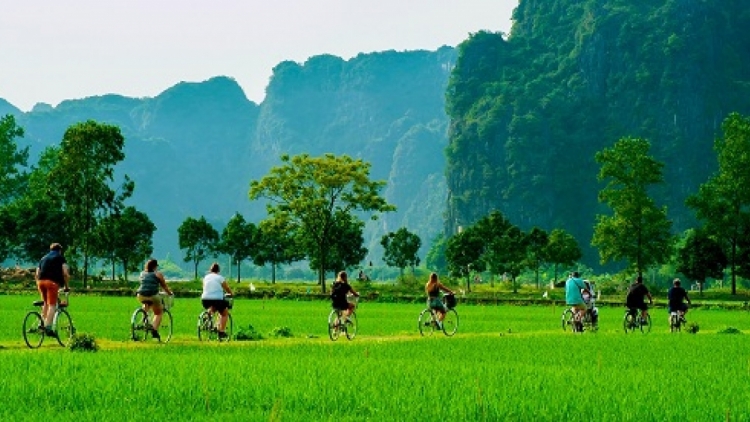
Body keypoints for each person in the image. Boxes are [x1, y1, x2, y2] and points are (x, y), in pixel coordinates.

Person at [35, 243, 70, 337]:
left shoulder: (43, 258)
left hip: (41, 282)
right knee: (52, 305)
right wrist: (66, 286)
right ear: (60, 250)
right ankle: (48, 326)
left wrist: (38, 283)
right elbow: (65, 273)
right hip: (52, 283)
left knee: (45, 303)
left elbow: (37, 272)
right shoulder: (60, 258)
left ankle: (41, 323)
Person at [136, 259, 173, 340]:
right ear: (155, 266)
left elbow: (145, 284)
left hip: (140, 295)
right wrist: (170, 293)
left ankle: (144, 318)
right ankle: (154, 329)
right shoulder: (158, 274)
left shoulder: (142, 273)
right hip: (153, 295)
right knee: (159, 312)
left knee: (146, 303)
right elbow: (164, 287)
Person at [201, 262, 233, 340]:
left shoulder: (205, 277)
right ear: (218, 270)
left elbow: (204, 287)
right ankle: (221, 331)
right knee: (224, 313)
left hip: (205, 299)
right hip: (217, 299)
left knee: (213, 307)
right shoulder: (220, 278)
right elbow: (226, 288)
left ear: (210, 270)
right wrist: (231, 293)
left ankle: (207, 317)